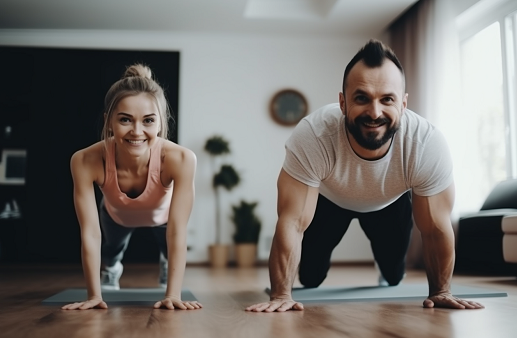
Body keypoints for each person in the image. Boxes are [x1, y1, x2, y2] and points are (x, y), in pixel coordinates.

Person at [246, 39, 484, 312]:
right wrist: (280, 296)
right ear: (342, 103)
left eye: (387, 99)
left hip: (390, 203)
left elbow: (435, 229)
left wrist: (441, 291)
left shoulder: (426, 143)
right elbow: (292, 222)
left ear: (403, 105)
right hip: (328, 201)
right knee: (310, 278)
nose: (374, 112)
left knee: (394, 276)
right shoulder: (313, 136)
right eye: (362, 98)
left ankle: (390, 272)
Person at [62, 64, 201, 311]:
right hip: (116, 216)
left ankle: (167, 266)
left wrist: (173, 295)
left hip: (164, 217)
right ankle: (112, 269)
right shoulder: (85, 160)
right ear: (109, 122)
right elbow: (91, 233)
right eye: (125, 119)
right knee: (111, 252)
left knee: (169, 249)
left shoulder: (181, 159)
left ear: (160, 122)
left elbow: (178, 231)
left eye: (148, 120)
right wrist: (94, 296)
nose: (137, 132)